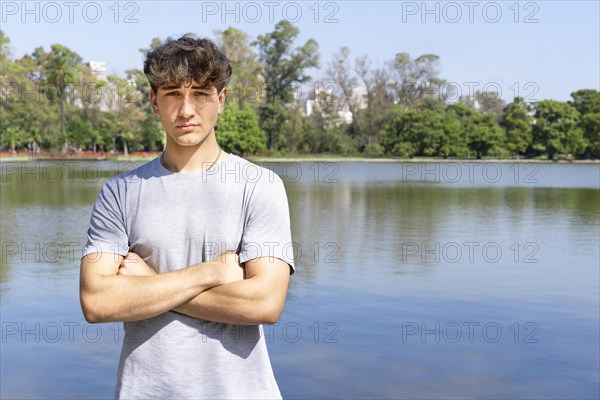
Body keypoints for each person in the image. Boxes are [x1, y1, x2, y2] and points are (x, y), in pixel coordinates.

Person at [79, 34, 294, 399]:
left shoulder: (259, 186)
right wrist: (210, 273)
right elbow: (97, 302)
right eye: (173, 94)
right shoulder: (121, 192)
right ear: (154, 102)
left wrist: (147, 285)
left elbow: (264, 303)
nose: (186, 110)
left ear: (221, 100)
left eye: (201, 94)